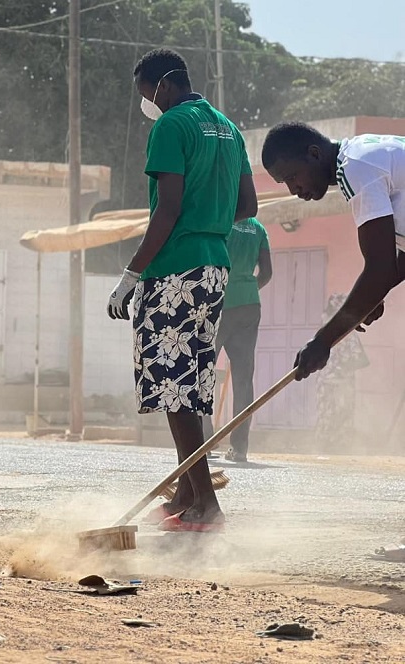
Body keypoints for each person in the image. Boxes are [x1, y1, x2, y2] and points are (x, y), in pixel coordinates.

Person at [106, 49, 257, 532]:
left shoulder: (171, 125)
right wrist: (207, 218)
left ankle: (206, 508)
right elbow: (247, 205)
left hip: (174, 271)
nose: (147, 103)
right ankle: (188, 495)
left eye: (147, 94)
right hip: (215, 271)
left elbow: (165, 212)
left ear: (165, 85)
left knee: (172, 389)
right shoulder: (228, 128)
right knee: (191, 386)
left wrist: (132, 274)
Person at [260, 123, 403, 383]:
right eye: (285, 183)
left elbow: (379, 269)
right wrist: (369, 297)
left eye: (292, 177)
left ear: (314, 154)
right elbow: (392, 266)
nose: (293, 190)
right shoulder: (361, 155)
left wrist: (323, 340)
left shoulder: (356, 167)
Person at [201, 217, 273, 462]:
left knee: (203, 373)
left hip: (218, 304)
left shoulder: (220, 220)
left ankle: (205, 443)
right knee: (243, 380)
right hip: (249, 306)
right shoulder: (258, 228)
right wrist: (248, 288)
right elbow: (267, 272)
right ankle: (240, 449)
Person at [313, 294, 368, 448]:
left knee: (327, 415)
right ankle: (336, 447)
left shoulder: (324, 330)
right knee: (338, 415)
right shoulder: (345, 331)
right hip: (338, 382)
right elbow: (358, 358)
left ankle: (325, 446)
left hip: (328, 382)